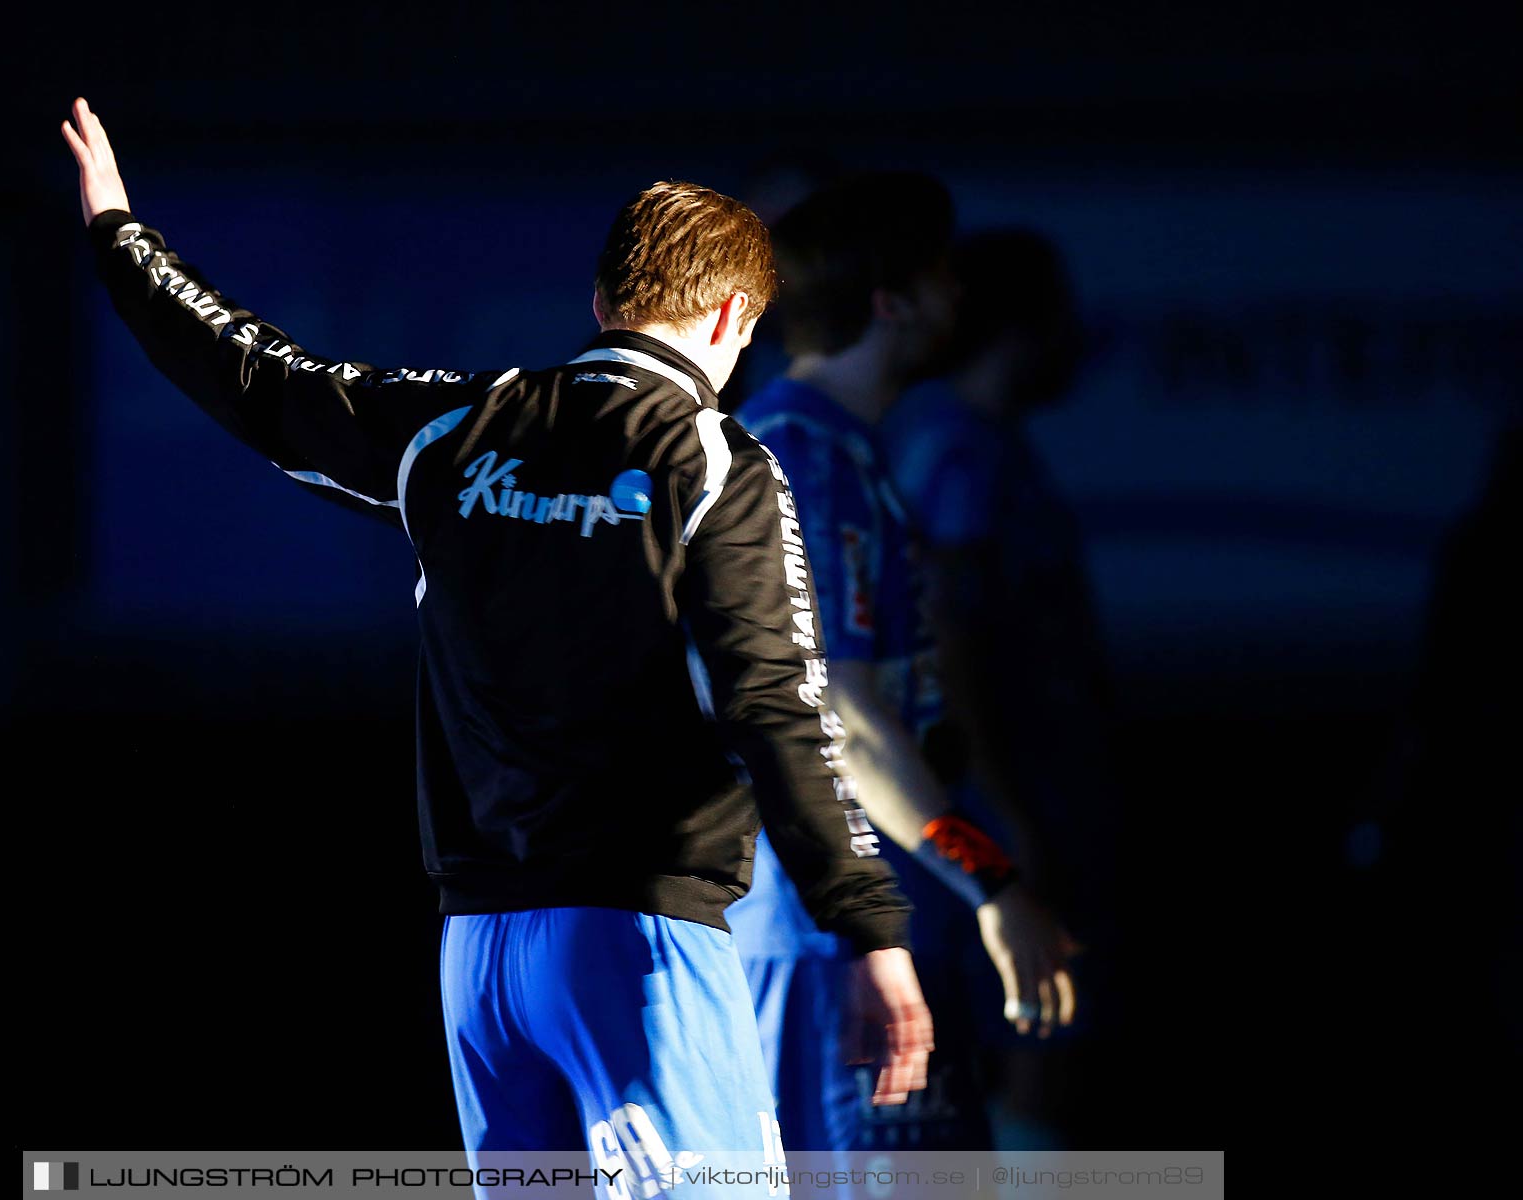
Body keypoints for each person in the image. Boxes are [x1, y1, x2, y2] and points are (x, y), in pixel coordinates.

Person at [60, 98, 928, 1192]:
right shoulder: (720, 462)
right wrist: (871, 925)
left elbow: (259, 379)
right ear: (729, 323)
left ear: (603, 299)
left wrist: (121, 237)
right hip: (643, 942)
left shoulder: (456, 428)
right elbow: (777, 705)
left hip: (478, 961)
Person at [728, 176, 1079, 1156]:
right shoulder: (808, 458)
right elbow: (848, 722)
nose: (958, 298)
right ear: (893, 302)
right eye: (940, 276)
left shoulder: (832, 447)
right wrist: (996, 885)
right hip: (835, 936)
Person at [881, 229, 1115, 1143]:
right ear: (1024, 323)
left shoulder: (989, 447)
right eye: (1060, 311)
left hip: (1039, 801)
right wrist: (1005, 816)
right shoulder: (951, 449)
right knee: (1030, 1047)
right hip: (1000, 814)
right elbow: (949, 632)